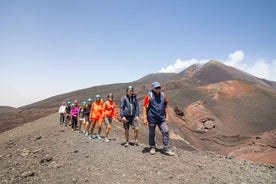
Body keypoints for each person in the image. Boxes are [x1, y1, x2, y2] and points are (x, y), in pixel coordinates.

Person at [143, 82, 175, 156]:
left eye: (159, 87)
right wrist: (145, 118)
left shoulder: (163, 96)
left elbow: (166, 107)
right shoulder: (148, 96)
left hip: (161, 118)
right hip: (152, 118)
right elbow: (144, 107)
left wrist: (167, 117)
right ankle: (152, 147)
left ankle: (166, 149)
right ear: (153, 88)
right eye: (156, 88)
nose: (158, 89)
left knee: (165, 131)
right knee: (152, 133)